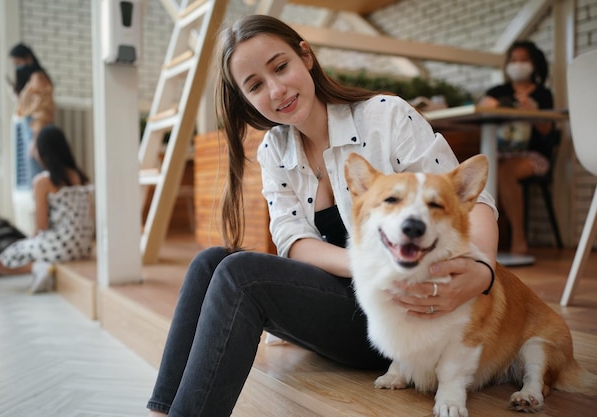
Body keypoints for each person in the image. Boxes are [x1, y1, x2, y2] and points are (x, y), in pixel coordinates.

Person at [146, 15, 499, 417]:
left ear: (305, 56)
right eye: (256, 85)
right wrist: (370, 267)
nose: (277, 90)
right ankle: (162, 412)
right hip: (347, 301)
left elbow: (471, 198)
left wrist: (482, 272)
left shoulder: (386, 117)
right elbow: (291, 239)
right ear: (245, 98)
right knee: (211, 261)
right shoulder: (274, 150)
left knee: (238, 274)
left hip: (405, 312)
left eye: (280, 67)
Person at [0, 126, 94, 292]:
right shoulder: (81, 177)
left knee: (4, 262)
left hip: (61, 245)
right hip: (83, 246)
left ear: (43, 150)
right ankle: (44, 266)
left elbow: (42, 225)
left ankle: (38, 267)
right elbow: (90, 215)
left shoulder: (43, 182)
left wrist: (32, 240)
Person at [478, 40, 557, 255]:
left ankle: (518, 236)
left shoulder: (543, 94)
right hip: (501, 154)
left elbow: (547, 129)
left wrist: (534, 112)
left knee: (504, 173)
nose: (517, 64)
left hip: (534, 156)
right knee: (484, 171)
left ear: (534, 64)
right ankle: (483, 238)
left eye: (523, 60)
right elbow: (481, 109)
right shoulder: (497, 91)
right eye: (513, 60)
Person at [9, 43, 55, 185]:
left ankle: (40, 205)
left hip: (37, 130)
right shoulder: (32, 79)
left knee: (38, 176)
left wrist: (35, 140)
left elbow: (40, 111)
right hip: (32, 129)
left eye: (18, 62)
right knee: (35, 174)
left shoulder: (38, 78)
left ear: (28, 58)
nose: (17, 67)